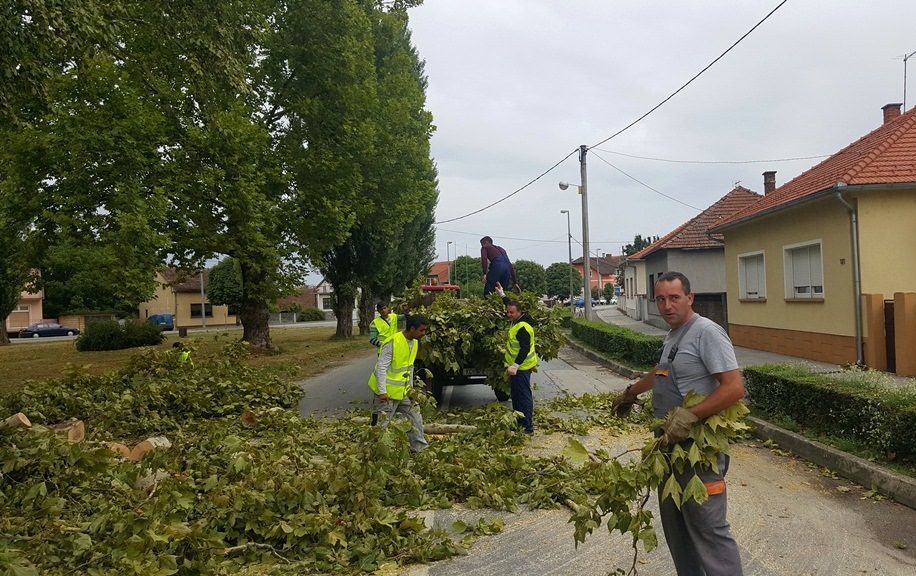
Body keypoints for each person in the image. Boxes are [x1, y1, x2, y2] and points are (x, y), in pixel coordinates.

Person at [612, 271, 745, 576]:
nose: (667, 305)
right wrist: (631, 392)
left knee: (708, 528)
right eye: (661, 299)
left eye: (674, 298)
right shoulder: (674, 335)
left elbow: (734, 387)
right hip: (669, 449)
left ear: (690, 298)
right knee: (678, 530)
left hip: (698, 451)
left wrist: (691, 415)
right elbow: (662, 372)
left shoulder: (706, 332)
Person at [368, 314, 430, 452]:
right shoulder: (392, 342)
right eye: (421, 330)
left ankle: (419, 448)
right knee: (381, 424)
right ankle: (371, 452)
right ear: (412, 328)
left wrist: (411, 390)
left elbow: (409, 367)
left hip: (403, 392)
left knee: (415, 417)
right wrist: (382, 391)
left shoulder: (414, 342)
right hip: (387, 394)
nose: (423, 333)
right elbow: (381, 368)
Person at [494, 283, 537, 434]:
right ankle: (520, 422)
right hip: (517, 367)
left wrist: (516, 365)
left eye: (511, 313)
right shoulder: (517, 320)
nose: (509, 315)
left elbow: (525, 348)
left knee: (523, 397)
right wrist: (502, 293)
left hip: (522, 367)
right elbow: (510, 305)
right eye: (508, 312)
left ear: (519, 312)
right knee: (516, 397)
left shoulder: (523, 327)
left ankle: (527, 427)